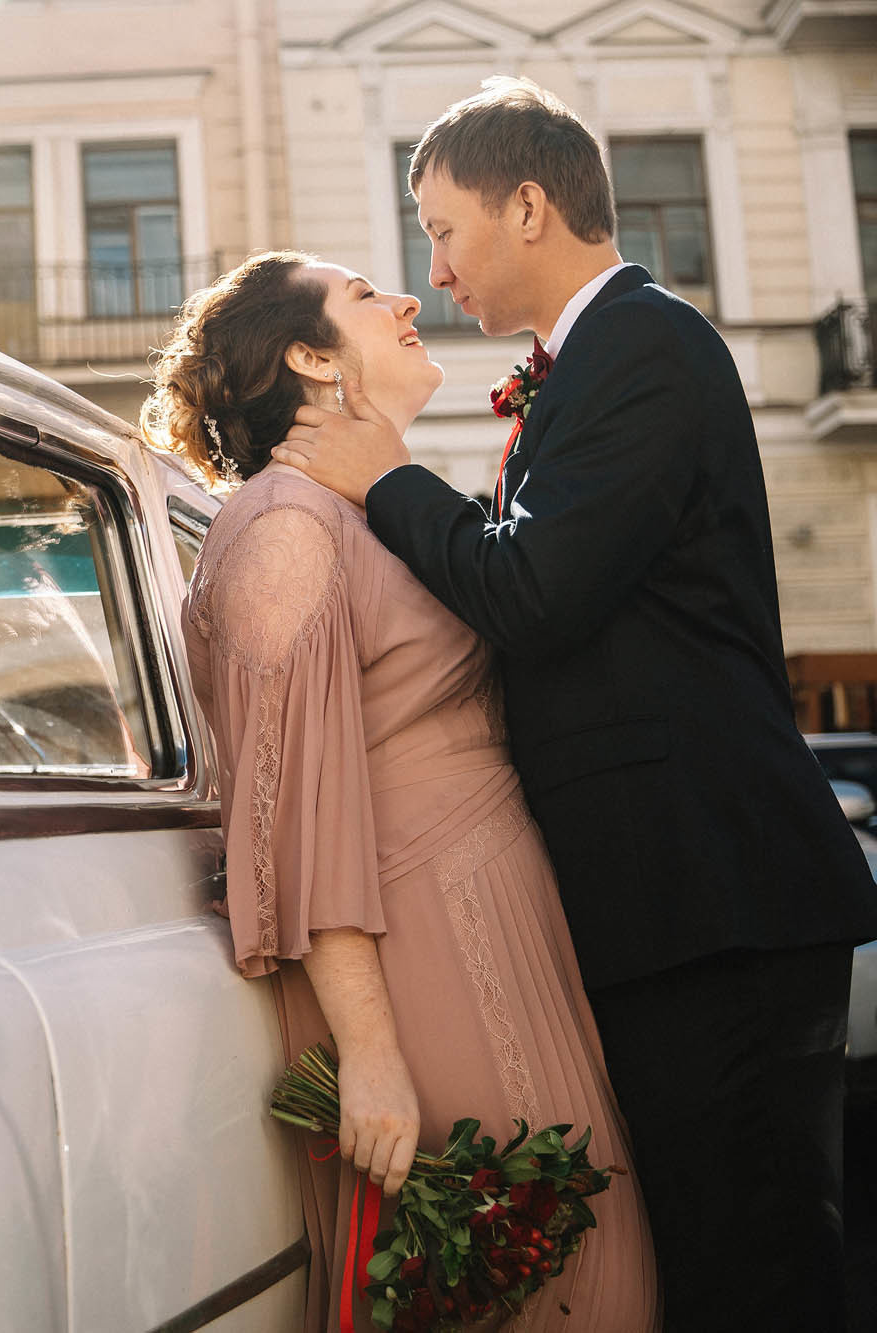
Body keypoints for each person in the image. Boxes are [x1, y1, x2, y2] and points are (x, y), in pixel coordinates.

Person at [270, 77, 877, 1332]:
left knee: (752, 1267)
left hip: (714, 906)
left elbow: (534, 588)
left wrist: (386, 476)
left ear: (529, 206)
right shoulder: (592, 361)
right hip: (671, 910)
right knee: (719, 1261)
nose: (433, 271)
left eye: (440, 229)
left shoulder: (645, 345)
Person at [147, 250, 658, 1332]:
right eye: (365, 294)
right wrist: (371, 1056)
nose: (408, 299)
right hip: (418, 962)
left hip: (497, 930)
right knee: (534, 1285)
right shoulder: (285, 529)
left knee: (585, 1279)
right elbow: (287, 813)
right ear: (309, 357)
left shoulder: (363, 512)